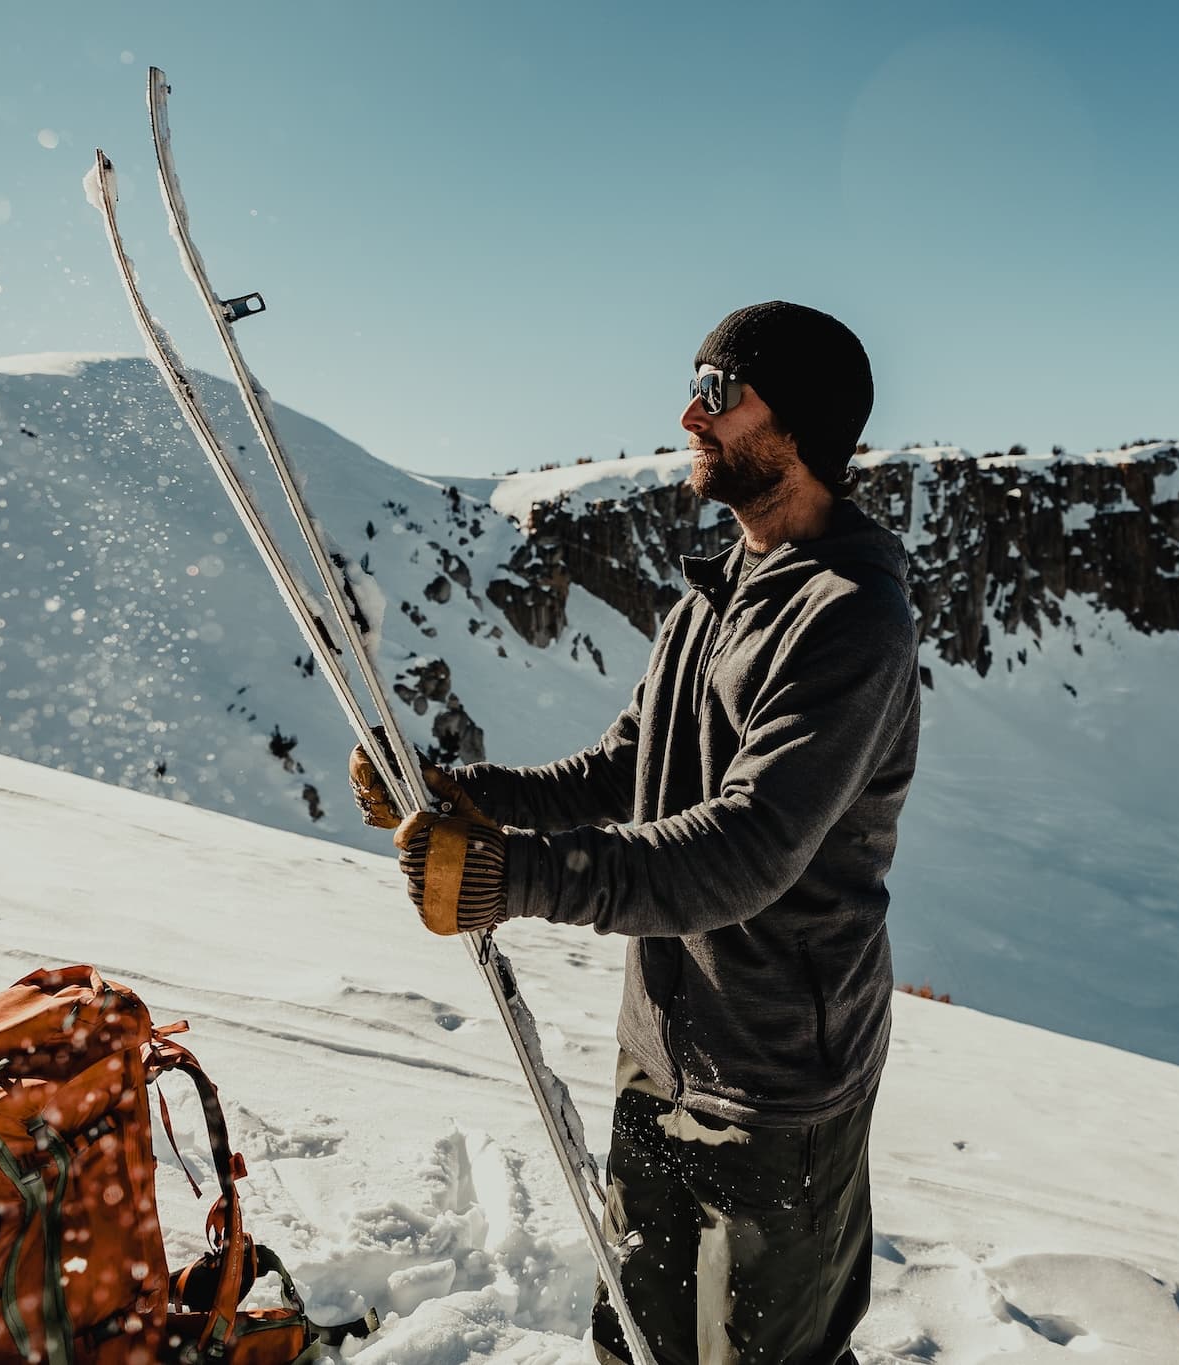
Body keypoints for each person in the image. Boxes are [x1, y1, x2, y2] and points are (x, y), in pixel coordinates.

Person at [350, 301, 921, 1365]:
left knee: (765, 1354)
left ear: (794, 424)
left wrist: (505, 877)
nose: (686, 414)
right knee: (639, 1335)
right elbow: (627, 769)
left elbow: (743, 852)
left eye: (717, 392)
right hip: (662, 1044)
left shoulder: (848, 617)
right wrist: (464, 797)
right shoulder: (718, 594)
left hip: (775, 1084)